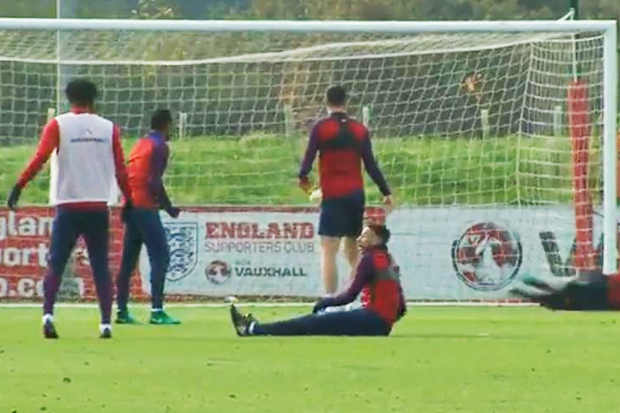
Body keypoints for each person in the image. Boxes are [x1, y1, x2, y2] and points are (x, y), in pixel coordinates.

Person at [7, 79, 132, 339]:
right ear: (94, 98)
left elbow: (40, 157)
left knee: (56, 262)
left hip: (68, 204)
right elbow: (121, 168)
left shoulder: (59, 125)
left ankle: (48, 315)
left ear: (68, 98)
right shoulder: (108, 128)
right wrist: (129, 199)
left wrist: (19, 185)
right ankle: (105, 324)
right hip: (98, 204)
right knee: (99, 265)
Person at [298, 85, 393, 295]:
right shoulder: (359, 129)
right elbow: (370, 164)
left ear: (326, 102)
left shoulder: (321, 128)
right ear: (346, 102)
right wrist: (386, 192)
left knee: (328, 250)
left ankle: (331, 303)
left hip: (332, 195)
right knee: (353, 251)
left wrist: (310, 189)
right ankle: (352, 299)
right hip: (355, 196)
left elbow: (305, 168)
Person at [230, 224, 406, 336]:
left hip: (373, 319)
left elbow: (349, 296)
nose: (359, 239)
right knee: (323, 323)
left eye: (364, 236)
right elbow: (402, 307)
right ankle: (256, 328)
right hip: (380, 323)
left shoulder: (369, 259)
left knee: (313, 322)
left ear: (376, 240)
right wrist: (385, 322)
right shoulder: (389, 260)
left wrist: (324, 302)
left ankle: (254, 329)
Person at [115, 109, 181, 325]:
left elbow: (128, 174)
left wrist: (127, 202)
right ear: (167, 125)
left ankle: (122, 311)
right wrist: (169, 207)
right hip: (145, 207)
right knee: (161, 256)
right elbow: (153, 181)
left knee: (128, 262)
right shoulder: (160, 146)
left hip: (132, 205)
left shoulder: (139, 144)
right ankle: (157, 311)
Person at [510, 271, 620, 310]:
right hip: (605, 293)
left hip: (605, 289)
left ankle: (534, 291)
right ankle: (533, 293)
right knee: (567, 297)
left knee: (568, 294)